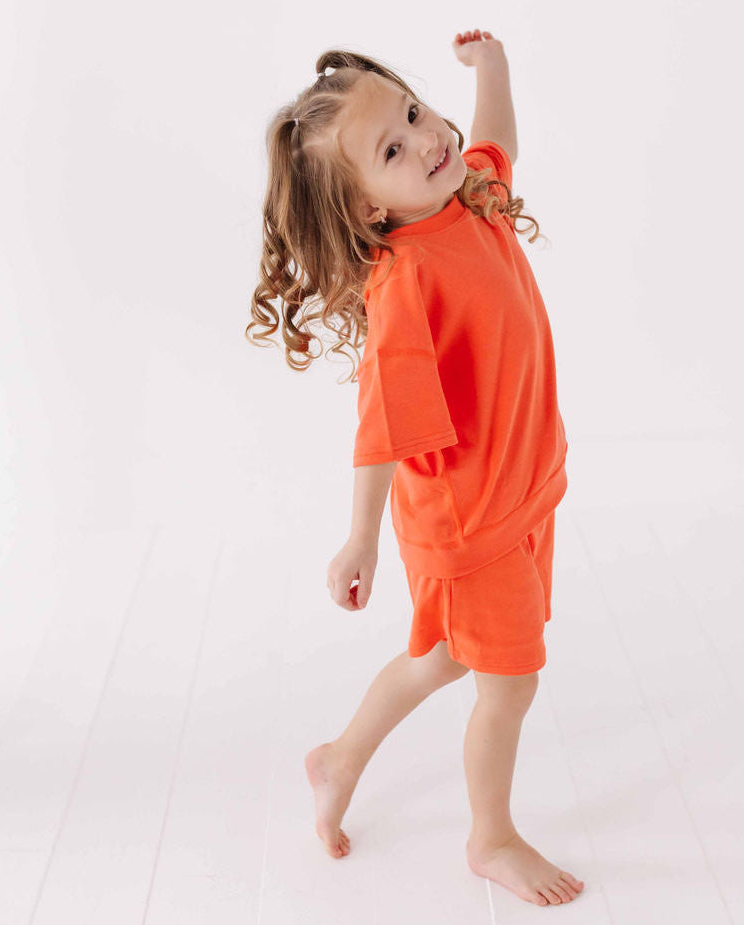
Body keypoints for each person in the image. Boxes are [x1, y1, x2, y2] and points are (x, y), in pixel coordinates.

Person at [247, 29, 584, 908]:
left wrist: (494, 67)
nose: (425, 138)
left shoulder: (470, 195)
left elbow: (494, 137)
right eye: (392, 150)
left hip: (519, 489)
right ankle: (491, 837)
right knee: (510, 681)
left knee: (440, 657)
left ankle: (338, 757)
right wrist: (359, 536)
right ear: (365, 211)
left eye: (410, 111)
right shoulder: (405, 282)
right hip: (469, 522)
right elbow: (382, 426)